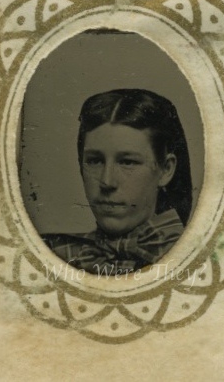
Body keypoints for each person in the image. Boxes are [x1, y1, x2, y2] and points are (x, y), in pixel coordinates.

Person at [43, 88, 192, 275]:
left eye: (127, 162)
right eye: (95, 161)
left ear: (166, 170)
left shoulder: (197, 259)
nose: (107, 181)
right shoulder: (51, 255)